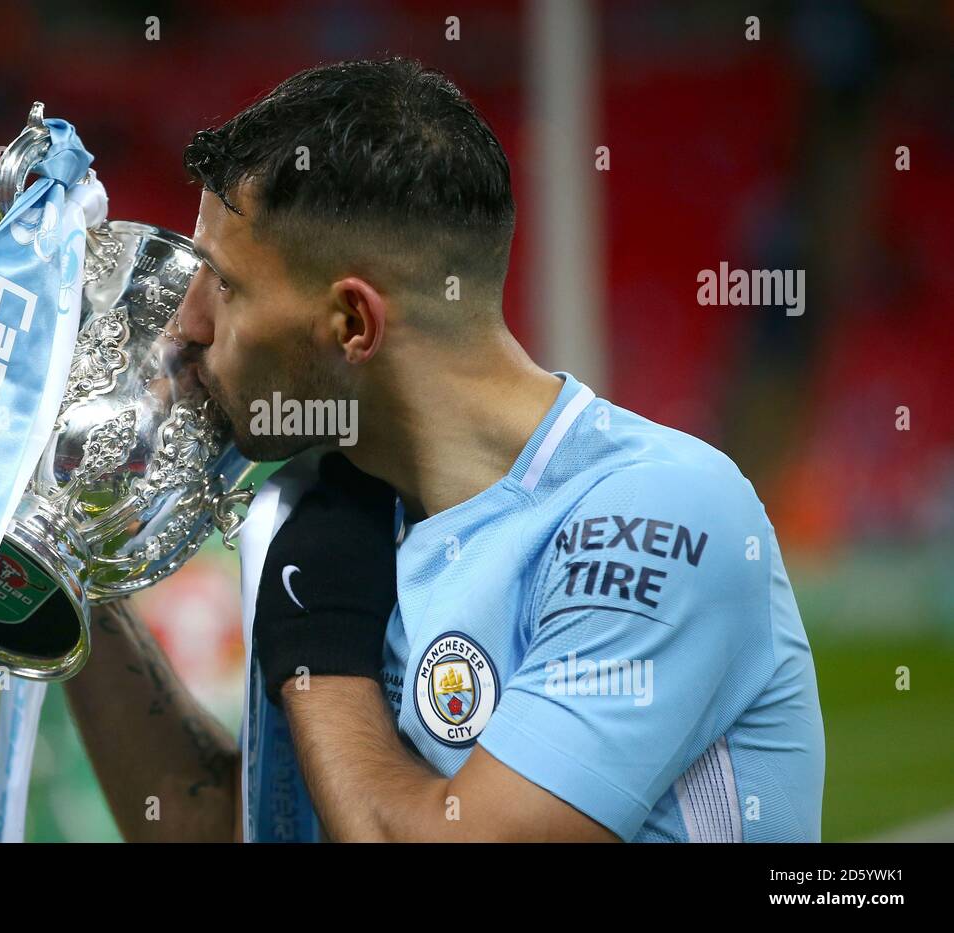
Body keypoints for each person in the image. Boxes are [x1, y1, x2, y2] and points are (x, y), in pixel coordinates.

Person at [64, 56, 825, 842]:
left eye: (224, 284)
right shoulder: (340, 515)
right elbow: (231, 827)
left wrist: (317, 653)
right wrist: (64, 572)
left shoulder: (661, 514)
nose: (188, 322)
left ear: (354, 324)